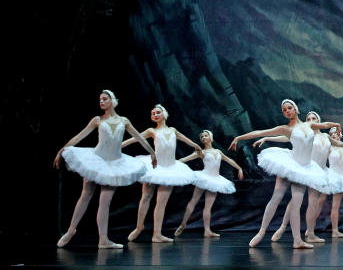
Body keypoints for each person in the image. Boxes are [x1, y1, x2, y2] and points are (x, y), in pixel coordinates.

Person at [229, 99, 342, 248]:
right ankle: (261, 232)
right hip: (290, 163)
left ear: (295, 109)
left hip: (305, 168)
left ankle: (297, 241)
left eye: (289, 108)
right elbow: (261, 132)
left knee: (296, 203)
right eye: (284, 110)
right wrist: (239, 137)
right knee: (276, 196)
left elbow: (326, 125)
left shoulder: (308, 125)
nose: (287, 111)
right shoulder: (285, 129)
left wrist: (337, 125)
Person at [54, 90, 157, 248]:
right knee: (85, 195)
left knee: (105, 202)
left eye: (104, 99)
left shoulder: (124, 121)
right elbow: (79, 136)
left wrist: (152, 153)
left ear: (112, 101)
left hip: (115, 164)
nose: (101, 102)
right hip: (96, 161)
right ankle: (70, 230)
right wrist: (62, 150)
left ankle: (103, 239)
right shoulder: (97, 120)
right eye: (100, 99)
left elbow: (139, 138)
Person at [255, 111, 343, 244]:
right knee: (295, 201)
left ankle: (310, 233)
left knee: (313, 203)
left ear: (319, 120)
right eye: (309, 118)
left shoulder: (324, 136)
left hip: (319, 172)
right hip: (306, 169)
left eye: (314, 118)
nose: (311, 120)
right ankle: (282, 228)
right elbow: (287, 137)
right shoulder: (307, 134)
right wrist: (268, 138)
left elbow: (337, 145)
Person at [123, 104, 201, 242]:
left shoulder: (173, 130)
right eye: (153, 113)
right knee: (146, 196)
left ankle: (157, 234)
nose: (155, 115)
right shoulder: (151, 130)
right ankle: (139, 226)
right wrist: (120, 145)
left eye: (158, 112)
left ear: (164, 114)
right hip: (154, 166)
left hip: (170, 168)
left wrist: (196, 146)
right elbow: (136, 138)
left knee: (162, 202)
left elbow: (186, 140)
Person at [174, 129, 243, 237]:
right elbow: (185, 159)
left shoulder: (218, 151)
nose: (203, 138)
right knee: (194, 201)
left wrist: (239, 168)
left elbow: (229, 160)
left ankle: (207, 231)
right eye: (202, 137)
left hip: (215, 180)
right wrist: (172, 163)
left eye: (206, 135)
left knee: (208, 206)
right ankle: (183, 225)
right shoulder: (201, 152)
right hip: (204, 177)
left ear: (210, 137)